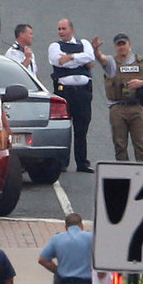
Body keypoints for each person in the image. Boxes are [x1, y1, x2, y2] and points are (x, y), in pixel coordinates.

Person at [48, 19, 97, 172]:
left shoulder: (84, 43)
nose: (60, 31)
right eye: (59, 29)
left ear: (72, 29)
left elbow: (90, 59)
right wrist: (78, 58)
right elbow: (59, 61)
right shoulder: (55, 46)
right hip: (65, 92)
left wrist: (70, 57)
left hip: (83, 92)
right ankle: (62, 162)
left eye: (63, 28)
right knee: (64, 126)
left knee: (82, 128)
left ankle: (82, 162)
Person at [101, 34, 143, 162]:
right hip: (117, 108)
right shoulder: (112, 63)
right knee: (120, 145)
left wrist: (142, 83)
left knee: (141, 145)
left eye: (123, 44)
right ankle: (123, 175)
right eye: (118, 45)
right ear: (115, 47)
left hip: (136, 107)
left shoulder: (140, 62)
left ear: (129, 44)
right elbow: (101, 59)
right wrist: (96, 50)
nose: (121, 47)